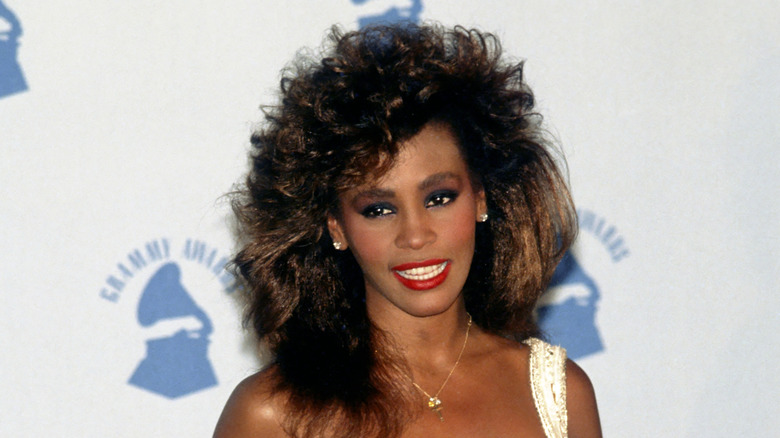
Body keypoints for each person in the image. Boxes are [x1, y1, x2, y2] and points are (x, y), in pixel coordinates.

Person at [214, 23, 601, 438]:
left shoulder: (559, 393)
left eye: (439, 198)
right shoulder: (273, 415)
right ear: (336, 227)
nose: (415, 236)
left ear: (481, 198)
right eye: (379, 209)